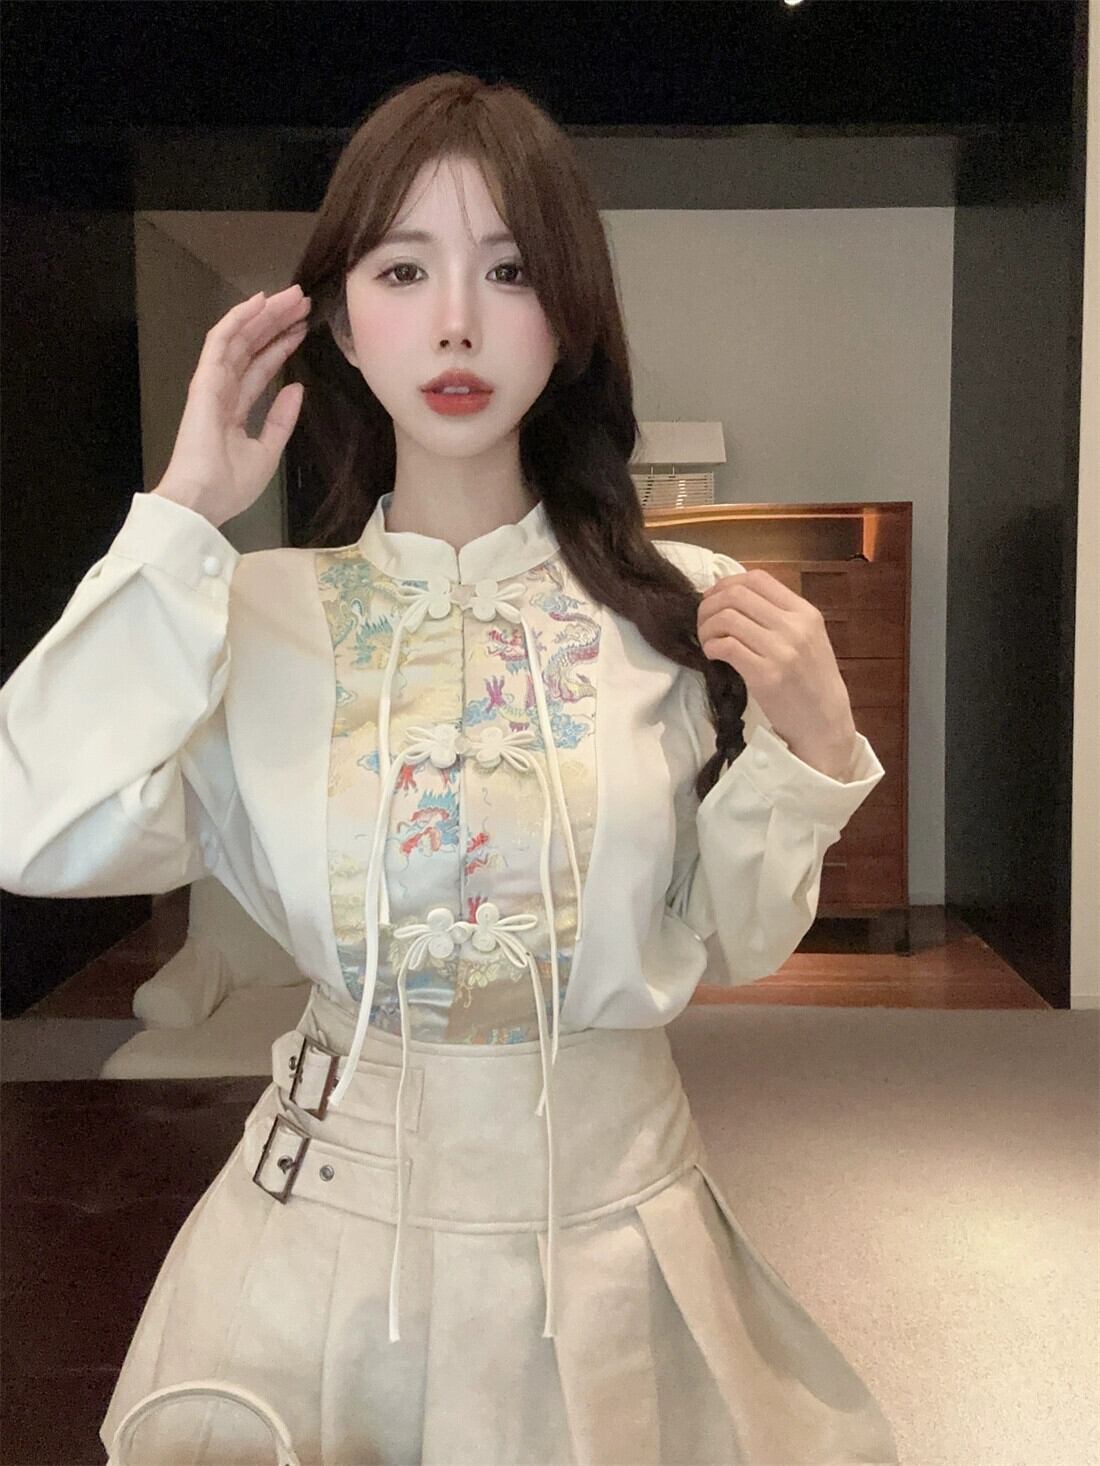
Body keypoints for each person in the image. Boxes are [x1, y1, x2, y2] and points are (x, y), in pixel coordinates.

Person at [0, 70, 900, 1466]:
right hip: (316, 1248)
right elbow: (35, 829)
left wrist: (815, 745)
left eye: (512, 269)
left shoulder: (680, 606)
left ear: (571, 318)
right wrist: (179, 518)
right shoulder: (251, 615)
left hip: (612, 1244)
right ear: (339, 322)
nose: (458, 321)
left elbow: (733, 935)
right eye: (404, 268)